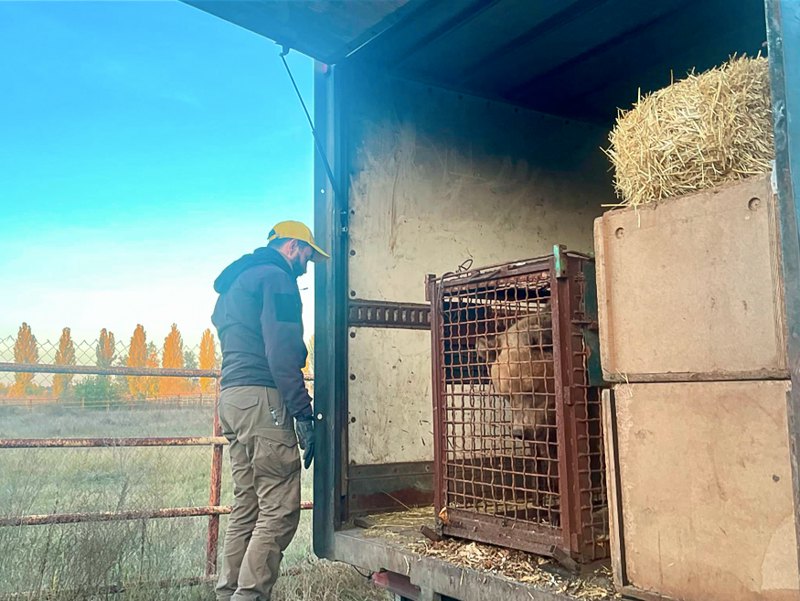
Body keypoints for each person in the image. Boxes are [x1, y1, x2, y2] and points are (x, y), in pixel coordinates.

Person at [211, 220, 329, 601]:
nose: (309, 263)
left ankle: (229, 592)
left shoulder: (235, 284)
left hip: (231, 397)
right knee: (279, 508)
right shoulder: (277, 280)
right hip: (263, 398)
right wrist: (304, 414)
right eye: (308, 254)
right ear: (292, 246)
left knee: (247, 504)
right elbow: (281, 352)